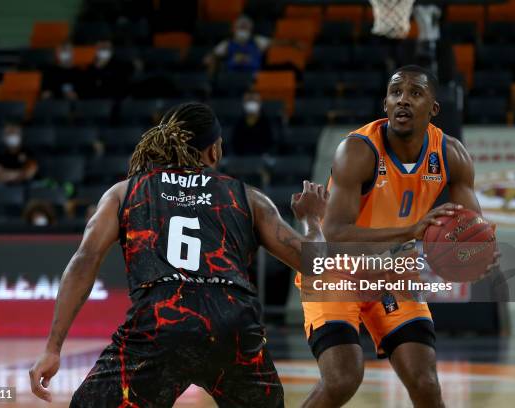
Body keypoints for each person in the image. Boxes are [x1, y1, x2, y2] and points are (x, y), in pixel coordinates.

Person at [29, 102, 328, 407]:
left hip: (161, 323)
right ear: (213, 151)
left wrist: (53, 348)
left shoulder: (125, 193)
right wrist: (313, 220)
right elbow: (317, 265)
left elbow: (84, 261)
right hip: (232, 327)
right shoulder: (248, 197)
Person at [300, 65, 497, 408]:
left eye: (415, 93)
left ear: (434, 108)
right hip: (336, 272)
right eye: (396, 93)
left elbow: (472, 228)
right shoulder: (357, 150)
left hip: (393, 274)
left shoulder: (451, 155)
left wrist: (479, 256)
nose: (403, 100)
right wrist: (411, 231)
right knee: (343, 379)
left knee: (425, 383)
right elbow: (334, 235)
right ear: (385, 104)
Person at [204, 15, 272, 74]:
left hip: (253, 75)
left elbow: (276, 44)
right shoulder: (227, 43)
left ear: (251, 29)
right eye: (241, 28)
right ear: (234, 29)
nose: (243, 31)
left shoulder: (258, 40)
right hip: (233, 75)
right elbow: (214, 53)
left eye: (245, 28)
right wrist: (210, 57)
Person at [231, 90, 275, 155]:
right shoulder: (238, 123)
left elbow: (271, 144)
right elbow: (235, 144)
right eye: (248, 101)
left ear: (260, 103)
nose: (251, 104)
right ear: (243, 103)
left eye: (254, 101)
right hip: (242, 159)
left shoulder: (267, 123)